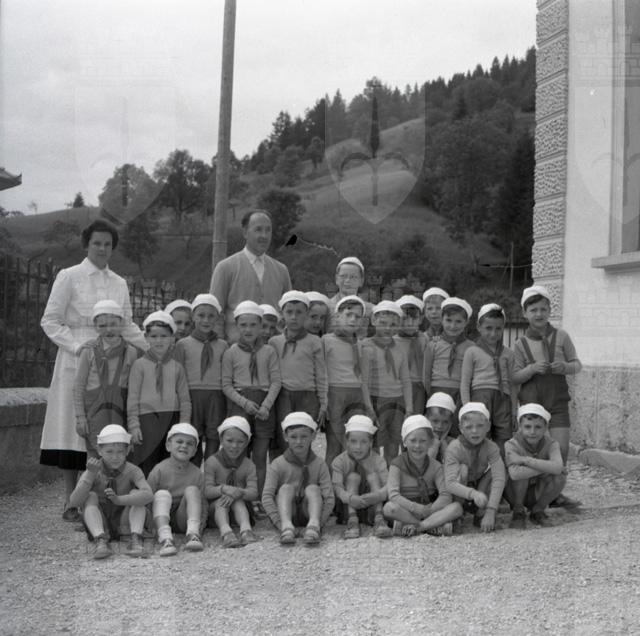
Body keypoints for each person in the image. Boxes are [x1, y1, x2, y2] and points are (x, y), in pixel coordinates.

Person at [40, 218, 146, 521]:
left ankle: (100, 498)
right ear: (87, 244)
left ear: (113, 248)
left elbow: (128, 325)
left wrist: (153, 348)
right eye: (96, 243)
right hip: (77, 358)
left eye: (107, 244)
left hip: (113, 364)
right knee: (74, 430)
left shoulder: (119, 283)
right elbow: (50, 320)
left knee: (104, 429)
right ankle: (70, 501)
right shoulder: (69, 276)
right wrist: (77, 347)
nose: (102, 248)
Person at [512, 285, 582, 509]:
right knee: (534, 449)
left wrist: (564, 367)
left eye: (543, 309)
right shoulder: (520, 344)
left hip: (558, 401)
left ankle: (555, 492)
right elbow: (514, 376)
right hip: (532, 404)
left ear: (550, 310)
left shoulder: (562, 336)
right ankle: (534, 492)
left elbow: (577, 365)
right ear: (525, 313)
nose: (539, 314)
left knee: (561, 449)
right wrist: (531, 369)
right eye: (533, 310)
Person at [221, 301, 281, 504]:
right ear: (236, 326)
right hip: (240, 406)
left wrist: (266, 406)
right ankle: (239, 497)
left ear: (261, 325)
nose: (248, 329)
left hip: (264, 406)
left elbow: (276, 381)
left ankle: (259, 498)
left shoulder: (269, 351)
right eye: (243, 325)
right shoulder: (231, 352)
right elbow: (226, 385)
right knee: (238, 454)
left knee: (260, 455)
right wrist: (245, 403)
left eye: (253, 325)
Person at [69, 424, 153, 560]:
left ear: (127, 451)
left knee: (136, 494)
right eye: (109, 452)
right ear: (99, 450)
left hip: (124, 523)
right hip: (101, 521)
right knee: (91, 496)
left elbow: (148, 495)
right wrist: (90, 475)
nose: (115, 457)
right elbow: (74, 502)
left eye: (120, 452)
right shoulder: (94, 469)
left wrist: (119, 500)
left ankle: (135, 538)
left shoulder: (133, 470)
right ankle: (100, 539)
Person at [210, 210, 291, 342]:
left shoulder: (281, 270)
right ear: (245, 232)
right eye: (258, 230)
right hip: (235, 346)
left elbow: (288, 311)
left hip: (272, 347)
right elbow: (215, 312)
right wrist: (219, 344)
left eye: (268, 230)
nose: (264, 235)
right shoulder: (225, 268)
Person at [72, 300, 139, 459]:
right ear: (95, 327)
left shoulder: (131, 352)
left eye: (113, 324)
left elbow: (134, 389)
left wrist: (133, 422)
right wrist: (80, 417)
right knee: (96, 455)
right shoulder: (88, 351)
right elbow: (78, 387)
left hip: (119, 410)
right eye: (102, 326)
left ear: (121, 323)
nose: (108, 329)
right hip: (94, 410)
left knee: (119, 453)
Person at [128, 311, 191, 476]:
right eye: (154, 336)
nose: (159, 340)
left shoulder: (177, 367)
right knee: (147, 462)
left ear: (172, 338)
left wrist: (183, 426)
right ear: (146, 337)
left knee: (169, 462)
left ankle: (166, 491)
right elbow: (132, 399)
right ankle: (145, 491)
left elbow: (185, 400)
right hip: (146, 421)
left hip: (172, 419)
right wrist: (134, 426)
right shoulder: (139, 365)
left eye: (164, 336)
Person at [261, 412, 334, 546]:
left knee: (313, 488)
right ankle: (287, 527)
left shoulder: (319, 464)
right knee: (285, 488)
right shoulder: (277, 464)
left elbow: (329, 498)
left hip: (310, 512)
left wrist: (320, 523)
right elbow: (266, 497)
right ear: (285, 437)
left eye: (304, 436)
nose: (298, 441)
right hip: (287, 513)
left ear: (313, 436)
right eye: (293, 437)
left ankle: (313, 526)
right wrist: (279, 523)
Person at [270, 291, 327, 457]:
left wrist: (323, 402)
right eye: (289, 312)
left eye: (299, 312)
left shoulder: (314, 342)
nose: (294, 317)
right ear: (282, 313)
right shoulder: (274, 342)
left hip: (308, 396)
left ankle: (304, 471)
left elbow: (321, 374)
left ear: (306, 314)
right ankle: (280, 470)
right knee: (283, 437)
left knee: (303, 437)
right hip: (283, 396)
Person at [383, 415, 462, 537]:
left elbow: (445, 495)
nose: (417, 445)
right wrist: (417, 508)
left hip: (430, 510)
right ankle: (432, 526)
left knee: (457, 507)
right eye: (413, 440)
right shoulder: (396, 465)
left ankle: (417, 527)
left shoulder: (436, 466)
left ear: (430, 442)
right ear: (404, 442)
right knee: (389, 508)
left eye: (423, 441)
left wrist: (430, 510)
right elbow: (393, 496)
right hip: (407, 510)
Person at [321, 295, 374, 470]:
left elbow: (363, 379)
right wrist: (324, 401)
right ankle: (329, 483)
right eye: (348, 315)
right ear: (337, 316)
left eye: (357, 317)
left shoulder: (361, 345)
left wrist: (368, 406)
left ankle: (349, 480)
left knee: (354, 441)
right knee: (334, 443)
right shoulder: (326, 341)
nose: (353, 320)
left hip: (356, 396)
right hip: (335, 394)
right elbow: (322, 373)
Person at [173, 293, 228, 462]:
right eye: (201, 315)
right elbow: (178, 375)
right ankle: (194, 471)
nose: (206, 320)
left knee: (214, 435)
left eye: (211, 316)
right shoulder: (183, 344)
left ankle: (210, 470)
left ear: (218, 318)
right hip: (192, 395)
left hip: (216, 396)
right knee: (192, 435)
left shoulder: (223, 345)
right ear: (193, 316)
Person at [460, 303, 516, 454]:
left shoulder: (509, 354)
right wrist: (467, 408)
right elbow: (465, 383)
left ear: (503, 328)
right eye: (488, 328)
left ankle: (500, 467)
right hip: (480, 398)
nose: (493, 333)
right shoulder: (472, 351)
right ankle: (480, 467)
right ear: (479, 327)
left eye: (498, 329)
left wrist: (514, 410)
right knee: (479, 436)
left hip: (503, 399)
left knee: (504, 438)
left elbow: (512, 384)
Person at [362, 300, 412, 463]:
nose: (388, 328)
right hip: (376, 400)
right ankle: (375, 473)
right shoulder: (366, 347)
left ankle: (391, 472)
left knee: (394, 442)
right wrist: (369, 408)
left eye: (393, 324)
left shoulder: (400, 348)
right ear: (373, 320)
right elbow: (364, 382)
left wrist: (409, 407)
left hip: (397, 401)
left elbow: (405, 380)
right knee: (375, 442)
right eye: (383, 323)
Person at [444, 403, 506, 533]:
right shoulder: (454, 447)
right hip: (459, 491)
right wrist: (473, 494)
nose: (474, 431)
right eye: (469, 427)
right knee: (463, 470)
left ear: (488, 426)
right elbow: (450, 483)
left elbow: (499, 477)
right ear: (461, 428)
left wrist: (491, 510)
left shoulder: (491, 447)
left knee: (497, 472)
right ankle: (456, 515)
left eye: (480, 426)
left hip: (477, 487)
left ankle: (481, 514)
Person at [504, 404, 566, 529]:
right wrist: (546, 467)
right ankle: (518, 511)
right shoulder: (511, 444)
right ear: (520, 427)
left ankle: (538, 510)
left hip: (538, 490)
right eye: (527, 427)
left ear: (545, 428)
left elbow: (558, 468)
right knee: (522, 474)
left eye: (538, 427)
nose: (532, 432)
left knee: (560, 478)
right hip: (514, 492)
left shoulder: (552, 444)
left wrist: (525, 460)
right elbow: (515, 474)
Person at [331, 415, 392, 539]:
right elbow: (337, 488)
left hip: (372, 506)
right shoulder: (339, 461)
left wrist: (378, 495)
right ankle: (352, 521)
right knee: (352, 477)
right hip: (347, 508)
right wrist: (350, 498)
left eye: (363, 442)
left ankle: (379, 518)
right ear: (347, 442)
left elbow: (389, 486)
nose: (358, 447)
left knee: (373, 476)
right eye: (353, 441)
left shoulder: (378, 460)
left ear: (371, 443)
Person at [148, 423, 205, 556]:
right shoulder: (159, 470)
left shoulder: (197, 474)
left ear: (195, 451)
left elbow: (203, 504)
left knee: (192, 490)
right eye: (179, 441)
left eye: (189, 444)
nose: (184, 446)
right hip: (160, 517)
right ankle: (165, 539)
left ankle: (193, 534)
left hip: (183, 519)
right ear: (168, 446)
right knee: (162, 494)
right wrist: (151, 526)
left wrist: (201, 526)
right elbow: (147, 498)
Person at [204, 416, 260, 548]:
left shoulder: (249, 465)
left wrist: (237, 492)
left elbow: (254, 493)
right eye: (229, 440)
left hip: (242, 509)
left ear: (247, 442)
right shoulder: (212, 462)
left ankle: (246, 530)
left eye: (240, 442)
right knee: (222, 501)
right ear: (221, 439)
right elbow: (207, 491)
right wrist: (224, 489)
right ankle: (226, 532)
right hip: (216, 511)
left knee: (237, 499)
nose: (234, 446)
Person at [423, 297, 474, 436]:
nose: (453, 325)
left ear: (466, 322)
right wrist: (429, 395)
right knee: (435, 428)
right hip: (436, 390)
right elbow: (426, 374)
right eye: (449, 320)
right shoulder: (433, 345)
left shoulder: (471, 347)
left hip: (459, 393)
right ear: (442, 319)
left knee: (455, 428)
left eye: (458, 321)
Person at [394, 295, 428, 416]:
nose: (409, 323)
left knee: (416, 418)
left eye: (414, 319)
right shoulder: (392, 341)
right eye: (404, 319)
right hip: (398, 387)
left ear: (421, 319)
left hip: (419, 387)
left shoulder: (424, 340)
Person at [328, 256, 373, 338]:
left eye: (353, 277)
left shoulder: (371, 310)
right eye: (343, 276)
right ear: (336, 279)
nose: (347, 281)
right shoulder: (326, 307)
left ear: (361, 281)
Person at [425, 392, 457, 463]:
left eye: (445, 422)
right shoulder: (419, 441)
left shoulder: (454, 443)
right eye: (435, 421)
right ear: (426, 419)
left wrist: (443, 444)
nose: (440, 426)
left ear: (450, 424)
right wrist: (435, 445)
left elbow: (451, 466)